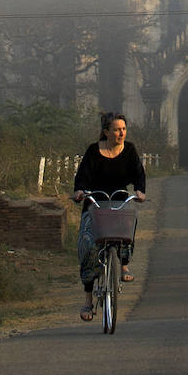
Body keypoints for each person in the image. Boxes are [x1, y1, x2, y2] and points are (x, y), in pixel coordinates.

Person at [73, 111, 146, 321]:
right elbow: (82, 177)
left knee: (129, 224)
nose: (121, 133)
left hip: (119, 199)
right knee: (89, 248)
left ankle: (123, 263)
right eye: (116, 129)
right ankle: (88, 302)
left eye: (123, 129)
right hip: (95, 202)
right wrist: (79, 191)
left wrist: (140, 191)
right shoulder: (93, 151)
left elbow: (139, 174)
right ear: (106, 132)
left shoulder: (129, 150)